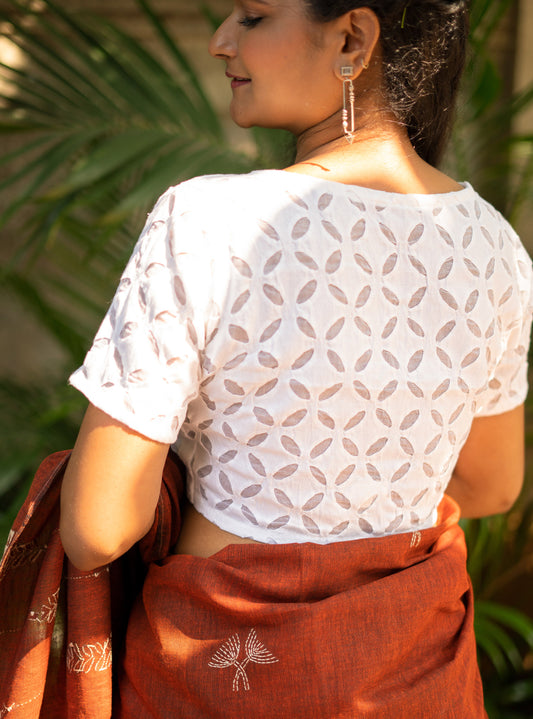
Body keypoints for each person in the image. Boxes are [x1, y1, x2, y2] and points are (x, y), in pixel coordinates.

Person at [2, 0, 532, 717]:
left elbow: (98, 528)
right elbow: (492, 485)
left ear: (353, 38)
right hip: (415, 677)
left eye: (252, 17)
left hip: (218, 678)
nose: (221, 42)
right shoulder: (494, 246)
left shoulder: (205, 221)